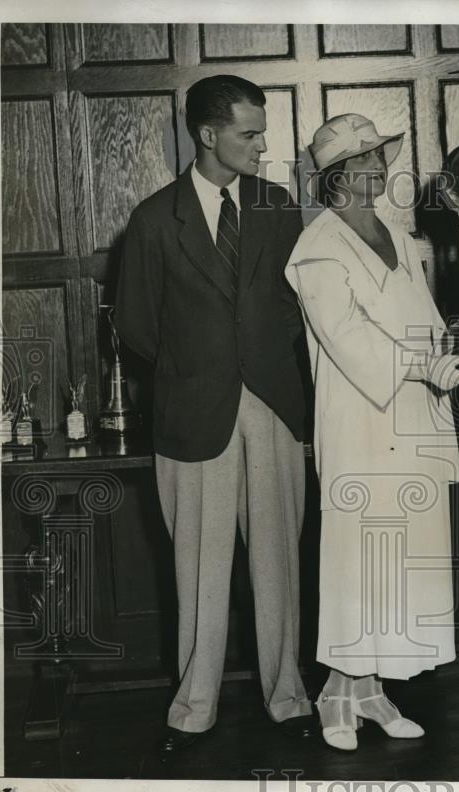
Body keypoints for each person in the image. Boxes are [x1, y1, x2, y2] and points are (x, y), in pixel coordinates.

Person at [115, 75, 313, 756]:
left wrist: (257, 357)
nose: (263, 146)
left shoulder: (278, 205)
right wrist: (200, 368)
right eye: (248, 133)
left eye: (262, 131)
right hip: (193, 415)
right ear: (207, 134)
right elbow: (139, 327)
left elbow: (294, 302)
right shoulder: (152, 219)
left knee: (279, 562)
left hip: (272, 407)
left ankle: (288, 696)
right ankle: (192, 708)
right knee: (197, 571)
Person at [284, 113, 459, 752]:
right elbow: (350, 340)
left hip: (416, 416)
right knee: (359, 558)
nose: (374, 169)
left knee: (401, 559)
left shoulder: (398, 232)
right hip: (362, 422)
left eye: (379, 156)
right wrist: (424, 364)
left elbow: (425, 316)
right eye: (359, 161)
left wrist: (448, 350)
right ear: (332, 176)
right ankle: (336, 690)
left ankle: (371, 690)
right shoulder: (316, 248)